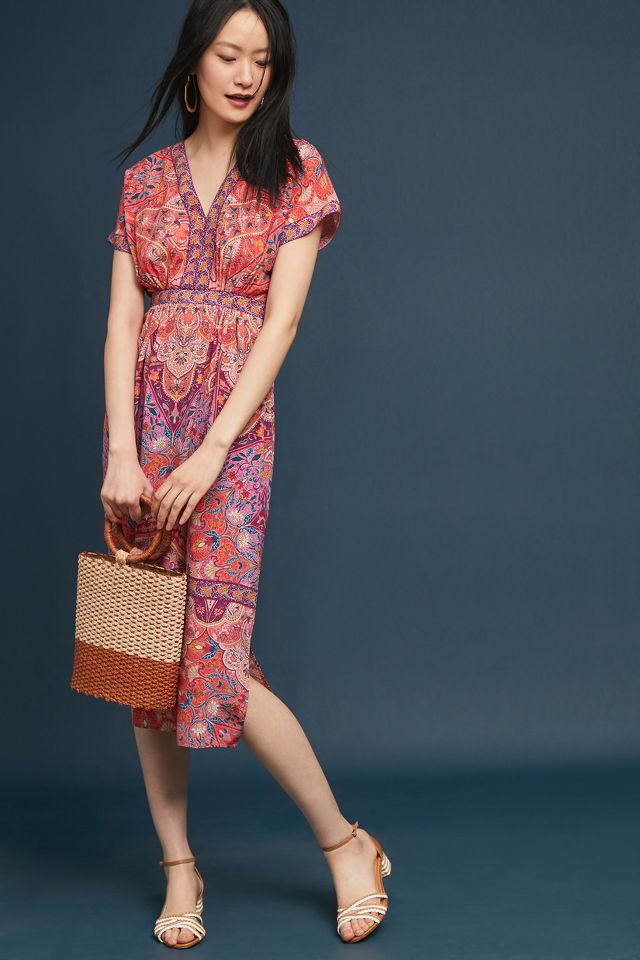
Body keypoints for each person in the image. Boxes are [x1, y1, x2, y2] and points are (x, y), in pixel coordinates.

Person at [100, 0, 392, 948]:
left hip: (230, 443)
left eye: (261, 60)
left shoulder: (297, 172)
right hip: (145, 439)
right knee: (144, 653)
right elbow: (123, 321)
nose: (245, 75)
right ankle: (179, 868)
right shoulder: (143, 181)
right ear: (195, 61)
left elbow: (282, 322)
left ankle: (345, 842)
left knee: (216, 658)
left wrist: (215, 447)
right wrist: (121, 451)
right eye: (229, 54)